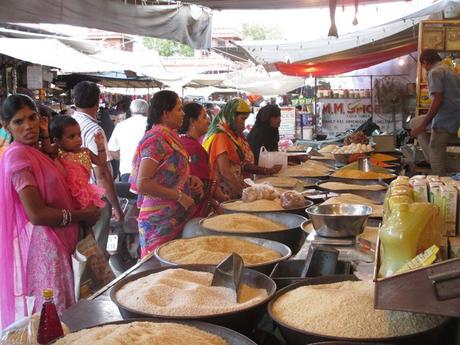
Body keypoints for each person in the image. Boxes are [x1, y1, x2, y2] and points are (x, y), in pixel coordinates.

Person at [0, 94, 100, 328]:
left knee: (74, 307)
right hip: (50, 247)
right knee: (60, 317)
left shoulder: (39, 151)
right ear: (6, 126)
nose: (28, 126)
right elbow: (37, 215)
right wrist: (82, 215)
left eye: (32, 118)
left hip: (67, 240)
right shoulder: (18, 157)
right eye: (18, 122)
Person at [130, 90, 202, 258]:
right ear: (165, 113)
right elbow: (143, 183)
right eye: (179, 109)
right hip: (158, 221)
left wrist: (190, 179)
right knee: (157, 268)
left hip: (174, 216)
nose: (183, 113)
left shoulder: (170, 137)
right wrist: (180, 196)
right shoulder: (156, 140)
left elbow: (166, 172)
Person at [71, 81, 124, 253]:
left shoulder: (68, 123)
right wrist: (115, 206)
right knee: (95, 252)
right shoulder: (94, 129)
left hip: (73, 198)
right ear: (97, 102)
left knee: (79, 251)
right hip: (94, 200)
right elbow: (101, 174)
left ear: (74, 100)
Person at [203, 99, 281, 200]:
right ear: (231, 117)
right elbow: (225, 172)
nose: (244, 125)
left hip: (236, 190)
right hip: (225, 194)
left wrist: (268, 171)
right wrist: (244, 194)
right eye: (242, 119)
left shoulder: (233, 136)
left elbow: (243, 164)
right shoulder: (220, 136)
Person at [411, 49, 460, 176]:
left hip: (446, 119)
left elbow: (438, 100)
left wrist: (423, 126)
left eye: (423, 65)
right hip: (454, 115)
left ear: (426, 62)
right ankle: (430, 158)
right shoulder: (450, 70)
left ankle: (441, 185)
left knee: (436, 150)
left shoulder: (434, 72)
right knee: (415, 122)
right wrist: (420, 125)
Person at [178, 102, 228, 217]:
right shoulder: (193, 148)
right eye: (204, 117)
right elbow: (202, 185)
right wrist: (222, 200)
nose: (209, 121)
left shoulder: (184, 142)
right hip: (196, 211)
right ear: (192, 121)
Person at [47, 115, 106, 209]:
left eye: (79, 134)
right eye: (71, 137)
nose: (78, 139)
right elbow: (48, 148)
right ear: (57, 141)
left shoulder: (85, 151)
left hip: (86, 193)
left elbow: (101, 162)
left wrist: (100, 145)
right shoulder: (57, 153)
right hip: (66, 195)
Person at [108, 99, 148, 182]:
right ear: (147, 111)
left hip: (127, 171)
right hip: (150, 172)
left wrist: (124, 158)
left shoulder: (121, 125)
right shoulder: (153, 125)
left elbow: (111, 150)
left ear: (131, 110)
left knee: (129, 194)